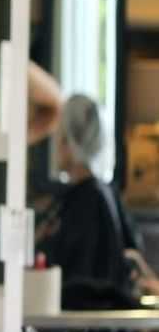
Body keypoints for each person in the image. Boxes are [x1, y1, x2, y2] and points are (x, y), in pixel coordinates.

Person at [36, 93, 136, 300]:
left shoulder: (86, 202)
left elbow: (78, 280)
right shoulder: (103, 194)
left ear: (68, 141)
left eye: (59, 135)